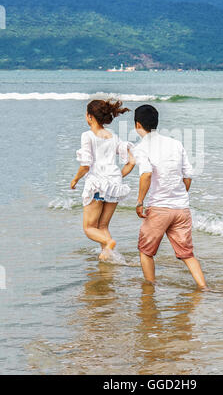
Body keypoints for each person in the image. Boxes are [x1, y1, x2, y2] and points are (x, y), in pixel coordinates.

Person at [133, 105, 208, 290]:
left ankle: (150, 289)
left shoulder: (142, 148)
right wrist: (180, 195)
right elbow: (188, 175)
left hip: (159, 208)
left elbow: (146, 175)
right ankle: (204, 287)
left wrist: (140, 201)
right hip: (181, 208)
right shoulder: (175, 144)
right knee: (187, 254)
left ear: (137, 124)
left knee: (146, 251)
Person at [71, 99, 135, 260]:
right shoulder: (113, 136)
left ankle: (109, 242)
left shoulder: (88, 136)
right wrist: (117, 176)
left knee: (89, 228)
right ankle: (108, 257)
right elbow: (132, 161)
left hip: (98, 185)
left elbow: (85, 166)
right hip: (114, 185)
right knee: (103, 225)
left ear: (90, 116)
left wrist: (75, 180)